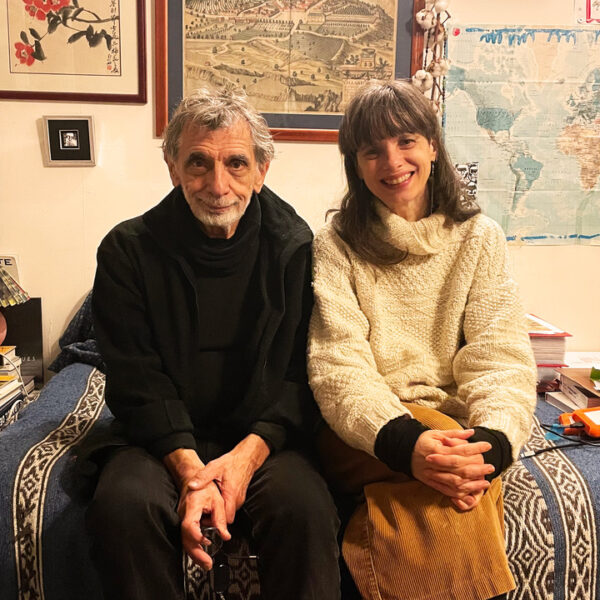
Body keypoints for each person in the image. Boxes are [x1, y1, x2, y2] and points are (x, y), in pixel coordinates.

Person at [87, 86, 341, 600]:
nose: (218, 185)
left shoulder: (297, 250)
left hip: (262, 437)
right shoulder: (126, 252)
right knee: (122, 506)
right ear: (173, 168)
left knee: (306, 509)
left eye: (236, 164)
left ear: (261, 171)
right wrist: (192, 473)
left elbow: (303, 375)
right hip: (158, 439)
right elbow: (137, 379)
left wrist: (245, 459)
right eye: (198, 163)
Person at [307, 80, 537, 600]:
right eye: (372, 150)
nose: (392, 161)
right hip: (364, 430)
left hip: (450, 427)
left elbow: (501, 358)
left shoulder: (480, 237)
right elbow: (337, 366)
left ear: (433, 145)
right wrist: (407, 441)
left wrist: (493, 444)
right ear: (356, 164)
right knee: (456, 467)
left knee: (458, 480)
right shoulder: (335, 245)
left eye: (406, 141)